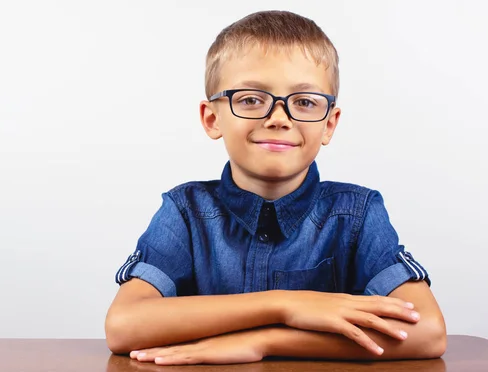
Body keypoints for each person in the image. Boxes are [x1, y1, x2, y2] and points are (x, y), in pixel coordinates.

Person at [105, 10, 446, 365]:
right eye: (251, 99)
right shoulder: (185, 211)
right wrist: (287, 304)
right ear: (212, 118)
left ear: (329, 124)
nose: (279, 118)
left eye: (305, 102)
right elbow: (124, 326)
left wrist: (266, 340)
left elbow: (428, 332)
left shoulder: (357, 215)